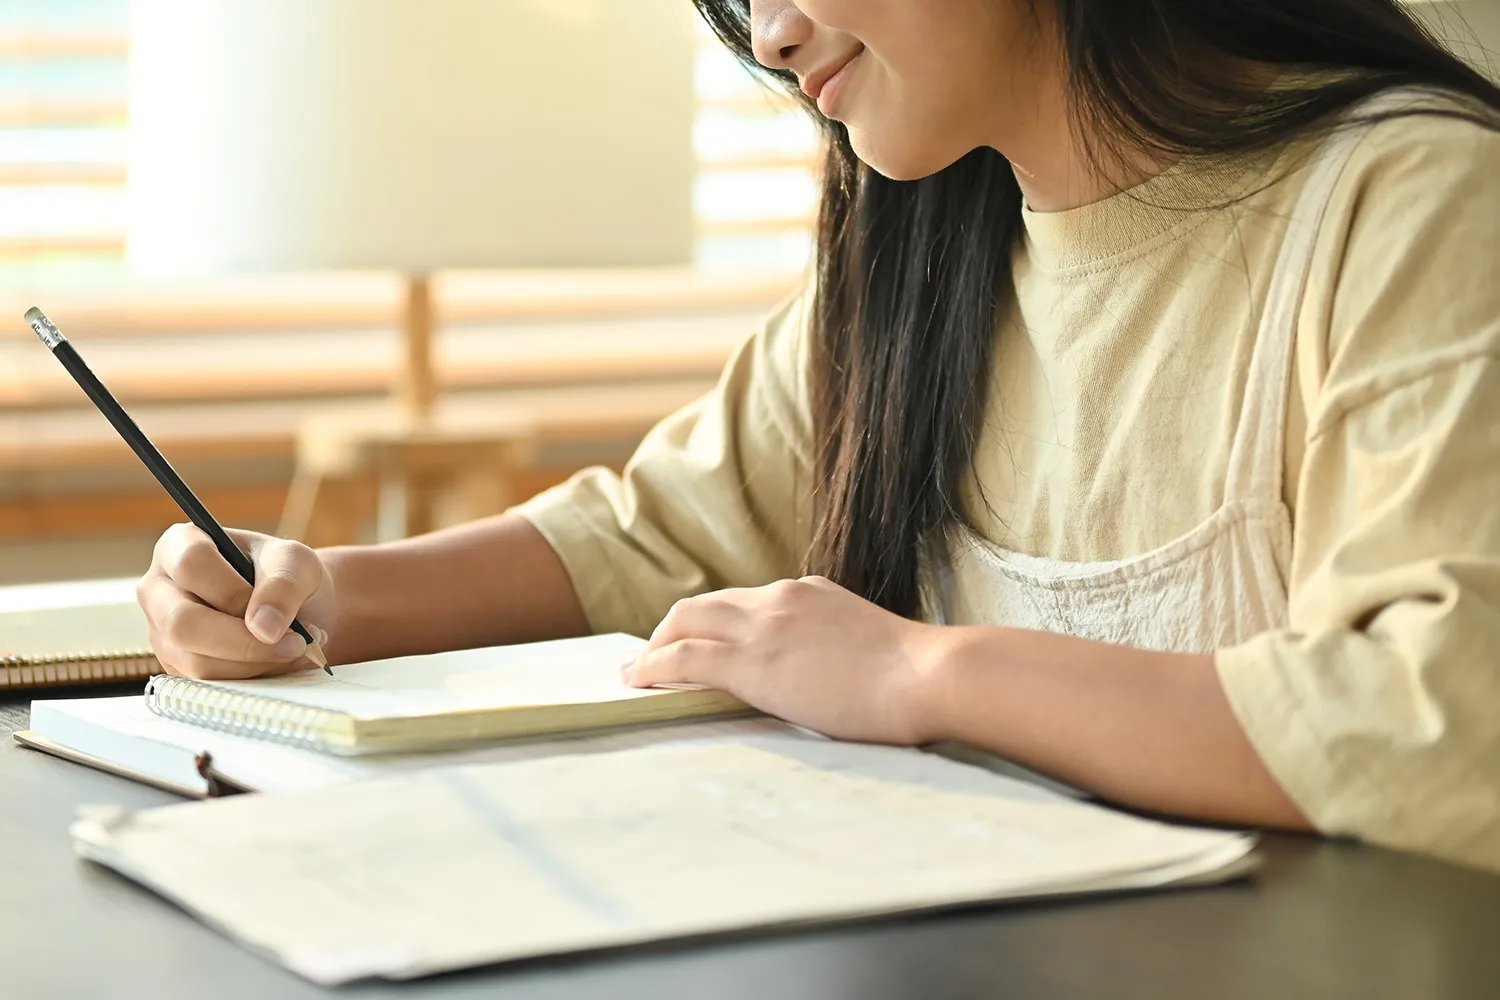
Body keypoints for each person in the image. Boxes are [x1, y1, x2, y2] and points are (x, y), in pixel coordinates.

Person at [137, 1, 1500, 872]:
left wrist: (922, 673)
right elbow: (650, 533)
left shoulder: (1415, 198)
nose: (770, 34)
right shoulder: (923, 252)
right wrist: (312, 597)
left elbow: (1436, 727)